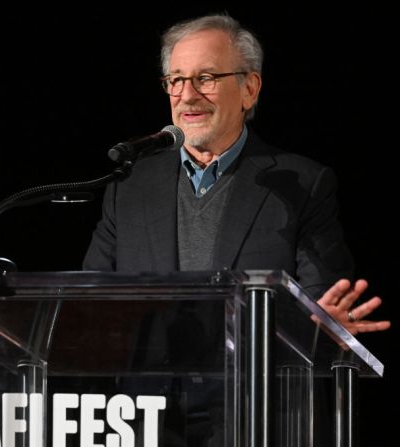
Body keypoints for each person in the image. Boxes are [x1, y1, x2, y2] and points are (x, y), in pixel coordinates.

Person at [83, 14, 390, 335]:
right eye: (176, 79)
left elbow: (322, 306)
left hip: (251, 382)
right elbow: (89, 303)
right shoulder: (131, 185)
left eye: (205, 77)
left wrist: (322, 329)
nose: (187, 95)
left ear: (250, 89)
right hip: (148, 386)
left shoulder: (302, 185)